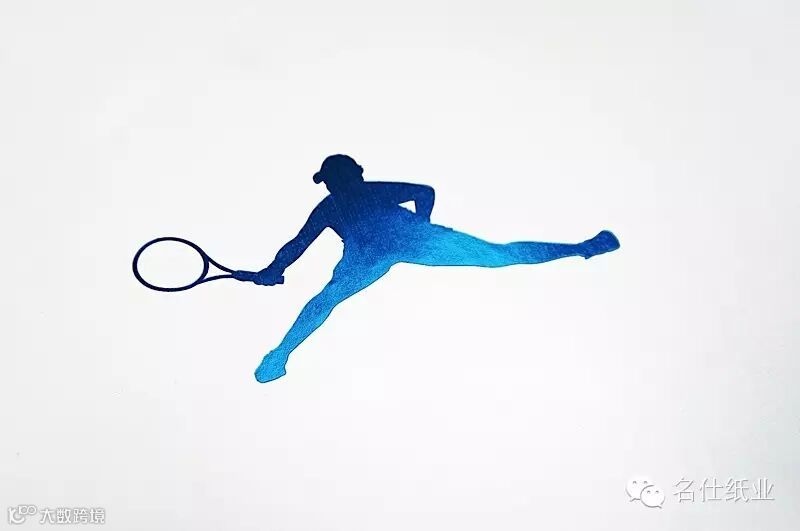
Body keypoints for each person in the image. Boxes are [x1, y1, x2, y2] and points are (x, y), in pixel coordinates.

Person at [240, 154, 620, 383]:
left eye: (336, 179)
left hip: (390, 242)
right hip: (378, 247)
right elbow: (298, 244)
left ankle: (583, 247)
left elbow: (423, 192)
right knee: (325, 300)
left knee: (499, 255)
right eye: (331, 182)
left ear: (353, 174)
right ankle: (280, 354)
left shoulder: (357, 195)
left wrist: (272, 271)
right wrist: (271, 269)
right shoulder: (336, 204)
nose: (333, 186)